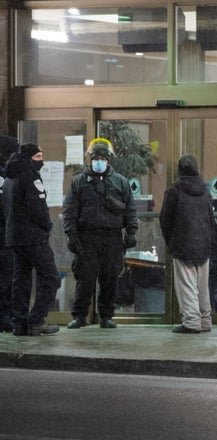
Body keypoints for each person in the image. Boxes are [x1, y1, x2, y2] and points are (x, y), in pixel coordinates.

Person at [62, 138, 138, 329]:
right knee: (85, 278)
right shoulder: (79, 181)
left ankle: (106, 315)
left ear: (108, 160)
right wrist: (71, 235)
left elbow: (130, 209)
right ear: (91, 159)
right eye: (96, 158)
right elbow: (70, 210)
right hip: (87, 237)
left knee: (110, 277)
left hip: (112, 237)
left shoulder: (120, 182)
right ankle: (80, 315)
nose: (99, 161)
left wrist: (131, 232)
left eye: (103, 158)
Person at [2, 143, 60, 336]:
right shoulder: (30, 176)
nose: (41, 160)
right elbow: (38, 208)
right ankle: (36, 320)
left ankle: (19, 322)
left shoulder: (9, 178)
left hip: (14, 237)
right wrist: (47, 226)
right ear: (28, 158)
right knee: (51, 277)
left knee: (21, 279)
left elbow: (5, 208)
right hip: (33, 237)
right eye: (37, 157)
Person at [160, 154, 215, 333]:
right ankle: (205, 320)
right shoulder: (206, 192)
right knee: (202, 285)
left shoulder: (174, 192)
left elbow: (165, 221)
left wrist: (171, 242)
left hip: (182, 243)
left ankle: (191, 321)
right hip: (204, 244)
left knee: (187, 284)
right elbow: (210, 219)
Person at [0, 135, 19, 332]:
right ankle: (5, 315)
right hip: (5, 234)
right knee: (6, 277)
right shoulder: (6, 176)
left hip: (7, 233)